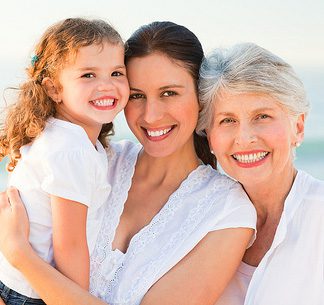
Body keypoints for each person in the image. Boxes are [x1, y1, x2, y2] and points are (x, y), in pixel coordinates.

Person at [0, 21, 257, 305]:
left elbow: (17, 247)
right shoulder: (99, 158)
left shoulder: (228, 211)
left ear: (201, 97)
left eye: (169, 93)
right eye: (137, 95)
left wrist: (19, 254)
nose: (151, 115)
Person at [0, 18, 129, 304]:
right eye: (88, 76)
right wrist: (75, 297)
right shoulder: (72, 150)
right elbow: (69, 244)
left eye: (117, 73)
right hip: (33, 294)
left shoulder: (61, 135)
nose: (106, 86)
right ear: (54, 89)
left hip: (16, 282)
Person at [196, 42, 324, 305]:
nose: (244, 139)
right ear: (210, 137)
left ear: (298, 127)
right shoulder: (198, 218)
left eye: (262, 116)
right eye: (227, 120)